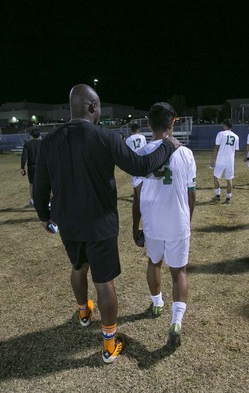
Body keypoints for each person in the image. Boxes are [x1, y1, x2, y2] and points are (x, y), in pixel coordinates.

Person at [33, 84, 179, 364]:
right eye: (98, 106)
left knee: (78, 267)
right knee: (104, 283)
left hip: (69, 223)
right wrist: (168, 146)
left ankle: (84, 312)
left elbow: (40, 185)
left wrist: (44, 215)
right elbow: (140, 166)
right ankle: (109, 344)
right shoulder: (103, 136)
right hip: (100, 223)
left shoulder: (50, 141)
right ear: (92, 107)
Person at [132, 102, 196, 349]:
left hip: (152, 222)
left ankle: (157, 302)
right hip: (178, 221)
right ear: (173, 123)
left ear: (149, 125)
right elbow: (192, 195)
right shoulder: (186, 153)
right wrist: (186, 222)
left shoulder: (142, 153)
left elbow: (137, 197)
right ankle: (176, 321)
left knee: (153, 262)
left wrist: (134, 227)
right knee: (179, 271)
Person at [211, 119, 239, 203]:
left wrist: (213, 159)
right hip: (230, 160)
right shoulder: (236, 136)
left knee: (216, 177)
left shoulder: (221, 134)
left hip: (221, 159)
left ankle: (218, 195)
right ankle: (228, 198)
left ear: (225, 125)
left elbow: (216, 147)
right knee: (229, 179)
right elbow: (236, 150)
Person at [20, 128, 42, 207]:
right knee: (45, 183)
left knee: (32, 184)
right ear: (39, 135)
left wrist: (22, 167)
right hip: (42, 166)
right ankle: (48, 201)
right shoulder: (43, 143)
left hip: (32, 166)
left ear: (31, 135)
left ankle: (33, 200)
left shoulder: (28, 144)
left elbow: (24, 157)